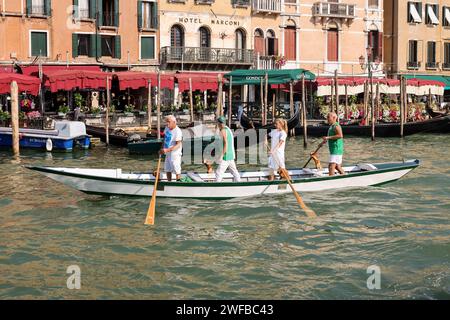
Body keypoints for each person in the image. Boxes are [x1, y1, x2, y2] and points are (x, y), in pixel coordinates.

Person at [215, 116, 241, 182]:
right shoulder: (228, 129)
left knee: (218, 172)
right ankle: (239, 183)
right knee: (234, 171)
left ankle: (216, 188)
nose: (217, 124)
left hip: (226, 156)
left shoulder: (223, 130)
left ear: (220, 123)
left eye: (217, 123)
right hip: (231, 154)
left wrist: (222, 155)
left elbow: (225, 143)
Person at [160, 115, 183, 181]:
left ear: (174, 122)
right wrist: (161, 148)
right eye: (166, 122)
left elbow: (178, 144)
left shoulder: (178, 131)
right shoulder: (167, 128)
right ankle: (169, 182)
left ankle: (178, 181)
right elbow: (164, 138)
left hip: (175, 152)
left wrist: (167, 150)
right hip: (167, 151)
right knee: (167, 168)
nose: (167, 123)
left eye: (169, 122)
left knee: (176, 167)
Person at [322, 112, 345, 176]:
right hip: (334, 149)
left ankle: (331, 181)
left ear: (334, 118)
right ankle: (345, 177)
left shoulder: (336, 126)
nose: (327, 119)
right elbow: (331, 137)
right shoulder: (331, 126)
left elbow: (340, 135)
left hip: (336, 149)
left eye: (328, 117)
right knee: (337, 167)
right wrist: (324, 141)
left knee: (331, 167)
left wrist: (328, 137)